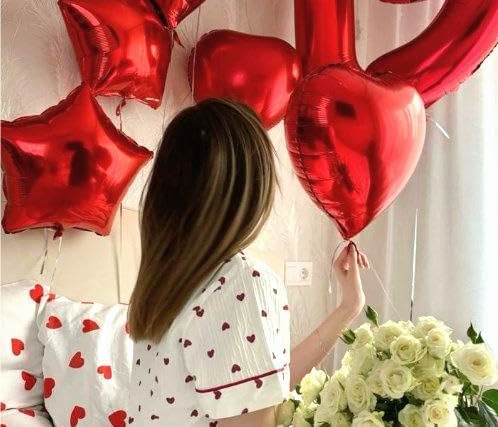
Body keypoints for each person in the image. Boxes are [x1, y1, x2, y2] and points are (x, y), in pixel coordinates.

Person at [127, 98, 368, 426]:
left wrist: (349, 307)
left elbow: (253, 388)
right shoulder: (242, 281)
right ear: (252, 188)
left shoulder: (166, 288)